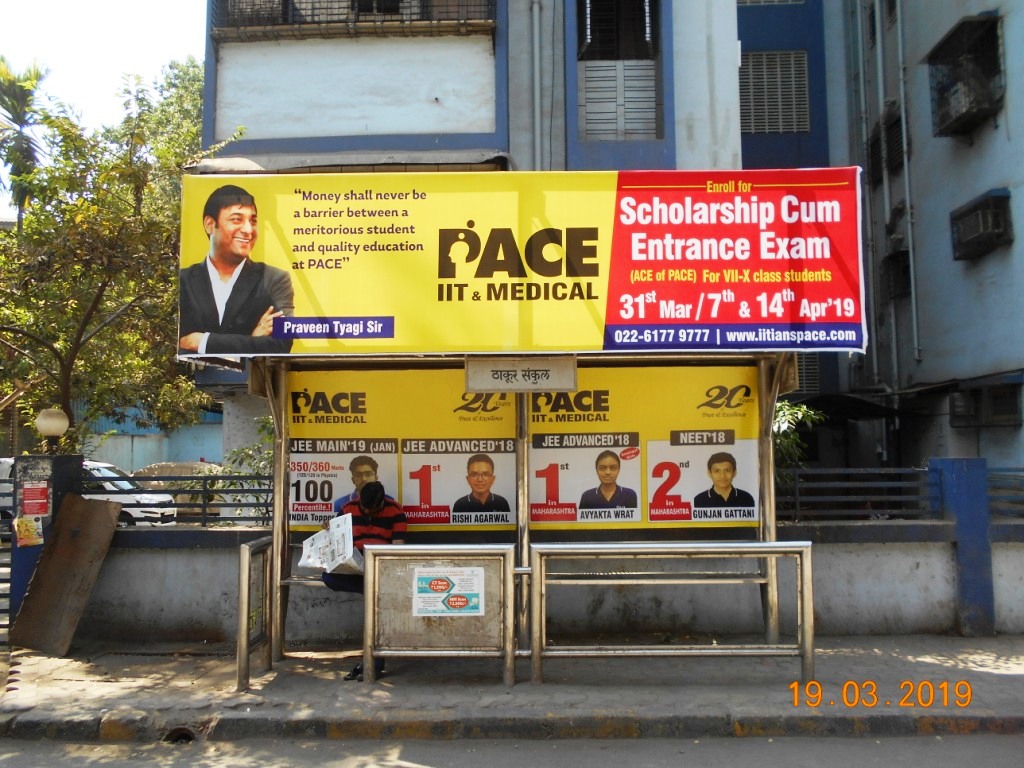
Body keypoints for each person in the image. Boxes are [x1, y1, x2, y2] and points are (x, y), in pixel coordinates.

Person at [178, 184, 295, 356]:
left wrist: (203, 341)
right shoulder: (184, 280)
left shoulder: (273, 279)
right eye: (236, 219)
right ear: (210, 224)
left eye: (253, 221)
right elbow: (180, 343)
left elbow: (280, 345)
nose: (248, 230)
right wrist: (252, 339)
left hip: (255, 381)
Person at [320, 480, 406, 680]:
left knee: (375, 598)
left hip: (380, 566)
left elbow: (398, 549)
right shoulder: (348, 509)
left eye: (372, 511)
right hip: (353, 566)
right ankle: (370, 590)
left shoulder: (395, 512)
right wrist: (328, 530)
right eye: (364, 510)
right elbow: (337, 541)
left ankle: (374, 665)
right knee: (328, 577)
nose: (367, 514)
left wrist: (376, 564)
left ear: (382, 503)